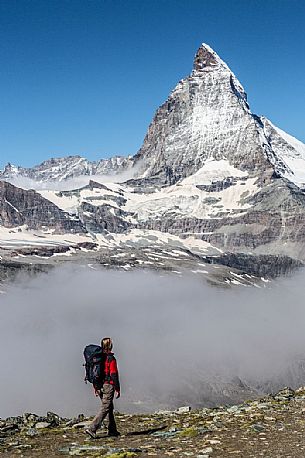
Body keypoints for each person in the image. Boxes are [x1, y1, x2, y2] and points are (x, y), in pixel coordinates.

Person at [85, 337, 120, 439]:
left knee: (109, 407)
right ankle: (92, 428)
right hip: (108, 385)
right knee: (106, 407)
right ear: (110, 345)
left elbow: (96, 373)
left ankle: (112, 430)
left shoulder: (98, 358)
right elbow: (113, 374)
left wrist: (95, 387)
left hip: (99, 385)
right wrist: (117, 388)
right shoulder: (110, 358)